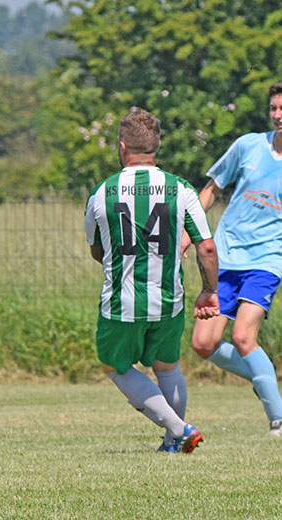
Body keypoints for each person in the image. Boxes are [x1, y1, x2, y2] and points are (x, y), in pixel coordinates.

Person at [185, 78, 282, 436]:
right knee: (203, 344)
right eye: (274, 108)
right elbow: (212, 189)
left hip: (267, 259)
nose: (278, 115)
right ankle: (262, 375)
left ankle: (280, 422)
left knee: (243, 337)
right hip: (225, 255)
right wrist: (191, 228)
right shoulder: (247, 146)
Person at [84, 108, 220, 453]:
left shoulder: (102, 192)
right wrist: (209, 291)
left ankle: (179, 429)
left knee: (115, 366)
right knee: (167, 366)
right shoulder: (181, 189)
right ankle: (173, 442)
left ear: (123, 146)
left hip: (121, 301)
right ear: (157, 146)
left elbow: (97, 250)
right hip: (169, 299)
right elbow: (205, 246)